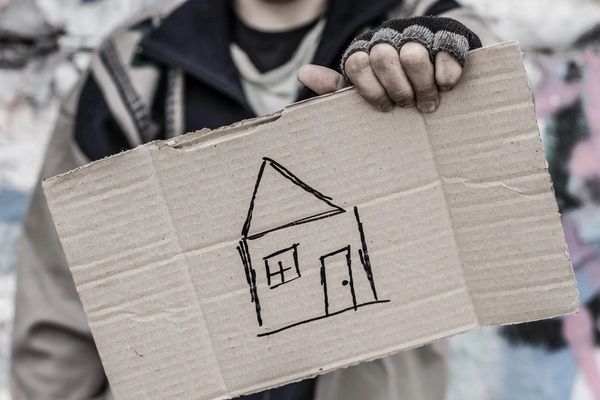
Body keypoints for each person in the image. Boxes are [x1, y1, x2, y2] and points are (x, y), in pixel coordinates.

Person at [10, 0, 496, 399]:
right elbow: (63, 296)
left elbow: (486, 83)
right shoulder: (134, 69)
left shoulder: (410, 23)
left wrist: (427, 55)